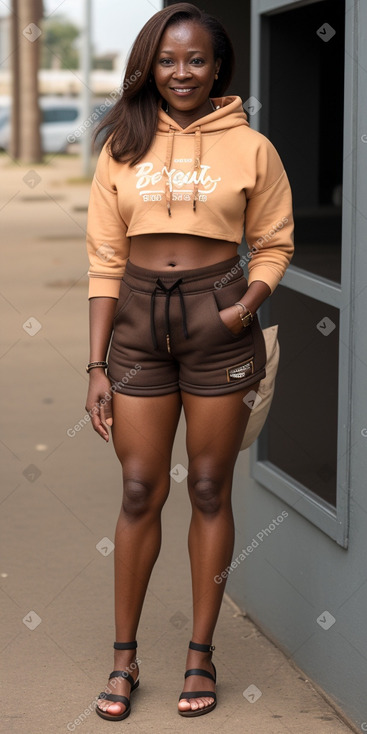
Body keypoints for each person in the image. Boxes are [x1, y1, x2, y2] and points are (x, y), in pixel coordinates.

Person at [85, 2, 294, 721]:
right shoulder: (121, 144)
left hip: (219, 319)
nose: (182, 72)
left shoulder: (252, 148)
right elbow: (105, 260)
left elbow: (273, 243)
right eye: (169, 59)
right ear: (150, 65)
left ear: (218, 67)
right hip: (137, 326)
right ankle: (124, 659)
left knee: (209, 487)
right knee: (141, 490)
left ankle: (199, 657)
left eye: (197, 59)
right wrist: (95, 366)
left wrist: (241, 307)